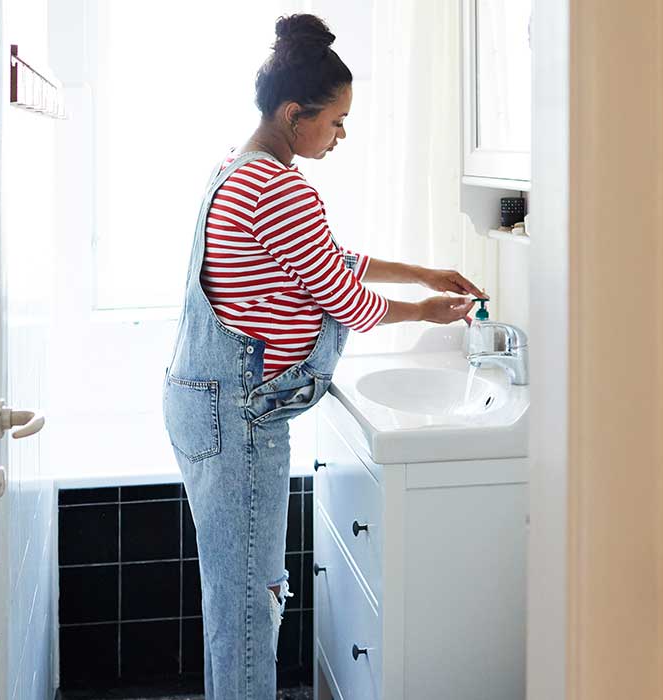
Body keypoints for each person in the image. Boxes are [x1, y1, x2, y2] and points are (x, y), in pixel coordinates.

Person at [163, 14, 486, 698]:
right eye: (336, 121)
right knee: (253, 601)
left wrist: (422, 273)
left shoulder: (238, 168)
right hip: (239, 420)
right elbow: (349, 301)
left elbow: (326, 259)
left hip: (205, 403)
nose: (341, 136)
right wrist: (426, 311)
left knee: (235, 595)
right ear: (293, 113)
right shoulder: (280, 188)